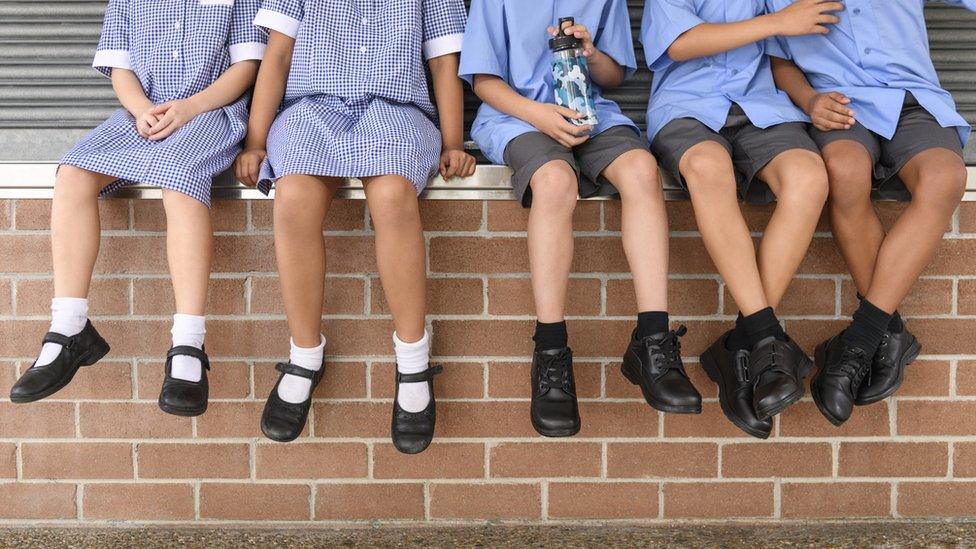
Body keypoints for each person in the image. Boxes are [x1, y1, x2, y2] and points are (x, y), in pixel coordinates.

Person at [235, 0, 475, 453]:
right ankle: (305, 355)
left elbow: (443, 61)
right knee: (294, 198)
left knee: (392, 196)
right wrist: (255, 141)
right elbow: (278, 54)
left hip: (396, 112)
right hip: (312, 110)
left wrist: (453, 142)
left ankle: (412, 360)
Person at [9, 0, 266, 418]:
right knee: (72, 173)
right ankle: (69, 326)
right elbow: (121, 67)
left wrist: (189, 107)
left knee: (179, 178)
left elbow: (247, 66)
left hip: (209, 112)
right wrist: (141, 108)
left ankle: (188, 342)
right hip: (142, 113)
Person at [462, 0, 700, 439]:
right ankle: (550, 351)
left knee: (641, 170)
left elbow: (614, 76)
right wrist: (539, 115)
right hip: (518, 116)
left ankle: (652, 341)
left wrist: (592, 54)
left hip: (589, 113)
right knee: (554, 183)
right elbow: (483, 80)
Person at [768, 0, 973, 425]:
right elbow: (773, 54)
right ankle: (887, 333)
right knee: (844, 172)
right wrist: (808, 100)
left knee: (945, 177)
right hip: (839, 103)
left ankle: (861, 341)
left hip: (912, 99)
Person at [641, 0, 838, 438]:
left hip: (762, 104)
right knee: (709, 169)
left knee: (808, 178)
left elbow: (787, 48)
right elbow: (680, 43)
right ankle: (765, 338)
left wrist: (809, 94)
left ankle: (741, 346)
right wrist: (777, 22)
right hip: (688, 107)